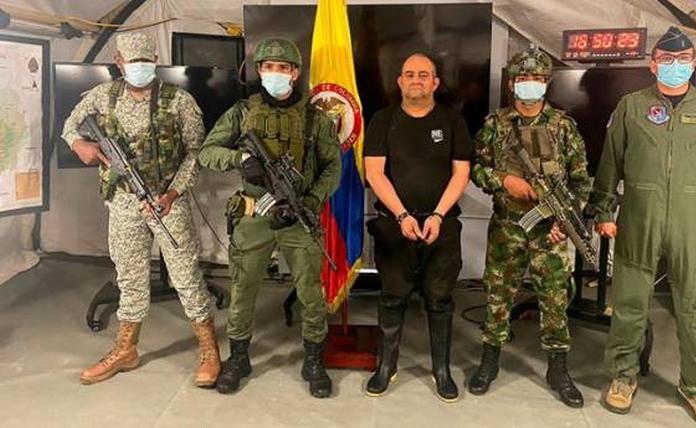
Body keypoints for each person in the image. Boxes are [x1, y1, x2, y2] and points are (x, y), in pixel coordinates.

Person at [592, 27, 696, 428]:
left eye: (682, 60)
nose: (674, 66)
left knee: (695, 308)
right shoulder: (631, 106)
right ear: (653, 64)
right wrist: (604, 210)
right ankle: (623, 376)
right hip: (638, 214)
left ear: (693, 64)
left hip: (691, 217)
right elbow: (610, 162)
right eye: (666, 59)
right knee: (629, 302)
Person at [62, 32, 220, 387]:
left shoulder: (179, 101)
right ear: (119, 62)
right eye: (134, 63)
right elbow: (70, 125)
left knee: (186, 276)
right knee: (130, 277)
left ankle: (209, 350)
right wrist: (78, 145)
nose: (140, 68)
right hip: (123, 201)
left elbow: (196, 153)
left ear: (156, 62)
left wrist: (174, 193)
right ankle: (126, 350)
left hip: (167, 202)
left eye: (146, 62)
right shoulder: (103, 96)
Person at [198, 37, 341, 398]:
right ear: (259, 70)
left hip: (299, 214)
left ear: (295, 72)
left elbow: (333, 168)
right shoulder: (242, 112)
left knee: (310, 291)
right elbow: (207, 152)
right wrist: (240, 160)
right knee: (243, 288)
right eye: (268, 67)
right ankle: (239, 357)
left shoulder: (315, 118)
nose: (275, 73)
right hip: (254, 215)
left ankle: (313, 359)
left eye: (283, 67)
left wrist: (312, 200)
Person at [469, 47, 591, 408]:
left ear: (546, 82)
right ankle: (489, 361)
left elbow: (580, 182)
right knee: (497, 296)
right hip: (507, 227)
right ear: (511, 83)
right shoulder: (495, 125)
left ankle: (558, 369)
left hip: (549, 233)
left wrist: (565, 223)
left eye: (536, 78)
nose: (529, 84)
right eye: (523, 78)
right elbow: (476, 168)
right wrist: (503, 180)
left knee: (554, 300)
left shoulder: (564, 127)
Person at [363, 53, 472, 402]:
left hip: (442, 224)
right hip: (395, 224)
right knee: (392, 296)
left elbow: (461, 173)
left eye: (424, 75)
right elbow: (374, 173)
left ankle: (442, 370)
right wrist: (402, 216)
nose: (416, 80)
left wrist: (437, 216)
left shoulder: (452, 120)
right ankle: (387, 366)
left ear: (435, 82)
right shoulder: (382, 120)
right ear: (400, 81)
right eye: (409, 74)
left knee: (440, 299)